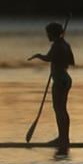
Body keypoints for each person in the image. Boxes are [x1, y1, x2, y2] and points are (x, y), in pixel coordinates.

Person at [29, 21, 75, 153]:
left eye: (48, 33)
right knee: (62, 109)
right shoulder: (65, 44)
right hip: (66, 79)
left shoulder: (57, 45)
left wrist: (39, 56)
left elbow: (49, 58)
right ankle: (64, 138)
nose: (47, 36)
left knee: (58, 109)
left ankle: (62, 139)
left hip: (60, 80)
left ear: (52, 33)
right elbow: (71, 61)